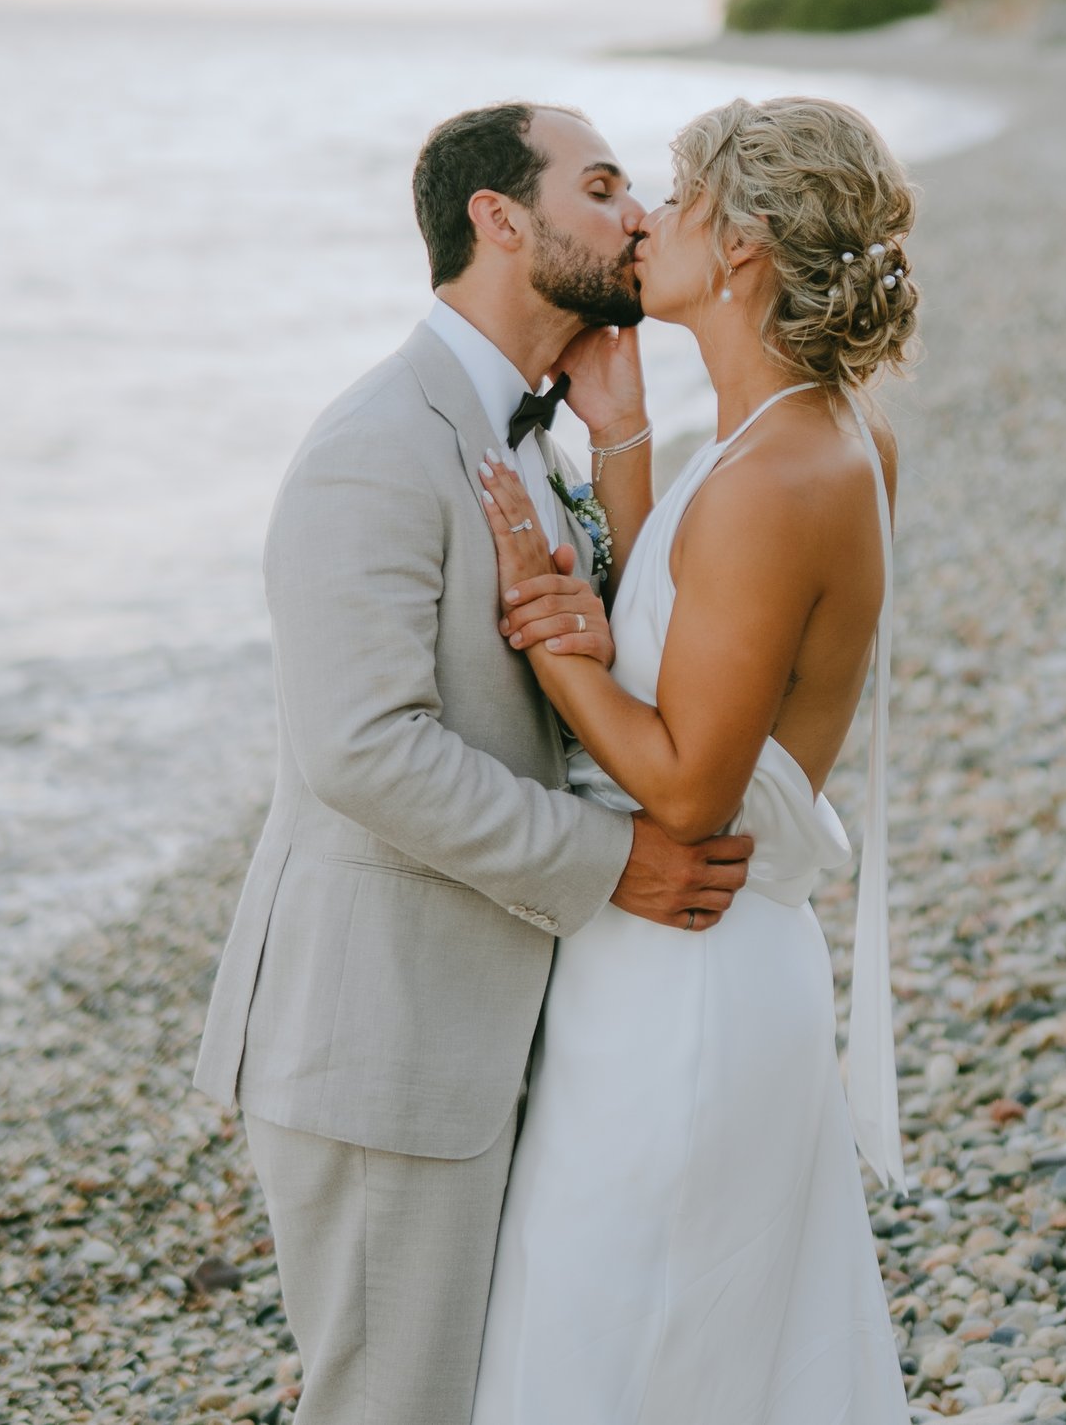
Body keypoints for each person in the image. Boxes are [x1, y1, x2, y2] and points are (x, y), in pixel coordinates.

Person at [191, 100, 756, 1425]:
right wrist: (619, 861)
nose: (636, 218)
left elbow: (614, 684)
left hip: (489, 1020)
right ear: (497, 220)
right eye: (605, 185)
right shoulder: (375, 448)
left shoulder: (535, 436)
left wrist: (621, 449)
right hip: (380, 1032)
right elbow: (362, 749)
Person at [469, 95, 916, 1424]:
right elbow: (705, 625)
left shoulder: (781, 478)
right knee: (688, 1354)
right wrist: (621, 445)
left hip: (686, 985)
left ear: (745, 251)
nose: (647, 219)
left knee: (622, 1345)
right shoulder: (807, 436)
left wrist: (551, 636)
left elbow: (685, 782)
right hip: (705, 965)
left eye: (677, 193)